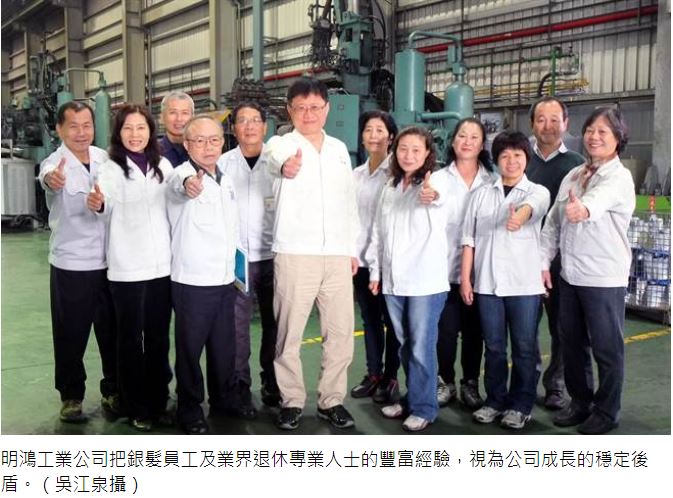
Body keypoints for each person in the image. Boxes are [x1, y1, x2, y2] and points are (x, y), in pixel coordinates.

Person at [264, 78, 359, 430]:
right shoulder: (280, 144)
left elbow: (349, 202)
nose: (309, 114)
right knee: (290, 332)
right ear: (289, 110)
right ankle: (291, 400)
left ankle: (331, 400)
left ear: (327, 109)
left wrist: (351, 249)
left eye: (315, 107)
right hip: (295, 253)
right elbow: (275, 160)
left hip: (336, 254)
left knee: (340, 332)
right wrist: (285, 166)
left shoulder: (338, 150)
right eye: (301, 108)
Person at [540, 107, 635, 435]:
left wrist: (583, 208)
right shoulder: (574, 175)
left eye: (603, 132)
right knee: (572, 343)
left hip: (603, 278)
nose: (594, 137)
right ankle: (580, 402)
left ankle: (607, 411)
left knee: (607, 348)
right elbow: (553, 222)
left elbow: (597, 201)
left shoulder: (619, 178)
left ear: (618, 139)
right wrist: (543, 262)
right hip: (570, 275)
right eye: (590, 130)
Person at [87, 104, 173, 431]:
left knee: (158, 338)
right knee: (130, 340)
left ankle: (159, 400)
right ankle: (136, 405)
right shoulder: (110, 168)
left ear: (150, 131)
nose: (135, 134)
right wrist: (98, 203)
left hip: (161, 268)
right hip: (127, 269)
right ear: (118, 133)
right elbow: (104, 202)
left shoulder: (163, 165)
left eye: (141, 128)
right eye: (128, 128)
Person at [461, 131, 549, 430]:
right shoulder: (481, 194)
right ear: (496, 160)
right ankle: (495, 400)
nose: (511, 161)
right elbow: (469, 239)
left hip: (523, 286)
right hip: (487, 284)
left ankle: (520, 405)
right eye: (505, 155)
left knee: (524, 347)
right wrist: (466, 280)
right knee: (495, 347)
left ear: (527, 159)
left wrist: (519, 216)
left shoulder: (536, 191)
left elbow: (533, 206)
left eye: (518, 155)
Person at [37, 101, 117, 423]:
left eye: (87, 125)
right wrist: (51, 180)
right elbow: (47, 178)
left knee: (112, 332)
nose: (81, 132)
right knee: (70, 333)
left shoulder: (105, 159)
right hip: (72, 264)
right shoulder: (54, 163)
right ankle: (71, 395)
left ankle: (114, 389)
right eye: (73, 126)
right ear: (60, 129)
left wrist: (103, 203)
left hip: (109, 262)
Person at [367, 126, 450, 432]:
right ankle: (412, 399)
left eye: (416, 150)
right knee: (404, 344)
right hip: (394, 280)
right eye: (403, 149)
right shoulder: (390, 186)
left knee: (420, 347)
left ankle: (425, 408)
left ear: (428, 153)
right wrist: (375, 271)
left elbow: (438, 197)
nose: (409, 155)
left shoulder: (437, 181)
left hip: (424, 282)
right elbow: (378, 232)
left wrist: (432, 194)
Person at [166, 115, 239, 434]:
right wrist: (188, 185)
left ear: (223, 142)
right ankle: (189, 408)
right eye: (199, 141)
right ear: (187, 144)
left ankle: (223, 399)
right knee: (190, 349)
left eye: (214, 140)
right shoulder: (181, 174)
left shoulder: (226, 178)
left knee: (223, 346)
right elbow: (180, 187)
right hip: (193, 281)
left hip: (224, 280)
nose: (208, 147)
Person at [217, 102, 281, 417]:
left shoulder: (278, 162)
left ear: (265, 127)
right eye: (242, 120)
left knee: (275, 323)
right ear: (234, 129)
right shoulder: (223, 163)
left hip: (274, 255)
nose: (249, 126)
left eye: (255, 120)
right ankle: (240, 386)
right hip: (238, 258)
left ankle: (272, 381)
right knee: (237, 326)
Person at [527, 96, 585, 410]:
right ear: (532, 124)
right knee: (524, 327)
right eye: (541, 119)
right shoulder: (521, 158)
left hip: (561, 260)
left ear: (565, 124)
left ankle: (555, 386)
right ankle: (525, 384)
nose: (547, 126)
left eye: (554, 120)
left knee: (562, 328)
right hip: (523, 259)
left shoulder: (577, 164)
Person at [433, 117, 495, 409]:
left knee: (474, 332)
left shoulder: (492, 182)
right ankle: (445, 381)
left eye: (474, 137)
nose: (467, 142)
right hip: (444, 270)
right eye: (462, 135)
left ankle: (470, 382)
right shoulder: (438, 179)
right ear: (453, 141)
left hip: (481, 272)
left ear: (482, 145)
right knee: (445, 333)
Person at [349, 110, 401, 405]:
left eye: (380, 130)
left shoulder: (396, 173)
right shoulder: (356, 174)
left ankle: (390, 377)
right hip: (361, 261)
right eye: (369, 129)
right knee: (369, 320)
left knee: (392, 321)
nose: (374, 135)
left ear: (391, 137)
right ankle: (373, 374)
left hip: (388, 262)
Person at [160, 91, 194, 167]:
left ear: (192, 118)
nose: (179, 119)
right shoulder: (152, 154)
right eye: (173, 112)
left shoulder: (202, 151)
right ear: (162, 118)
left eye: (185, 113)